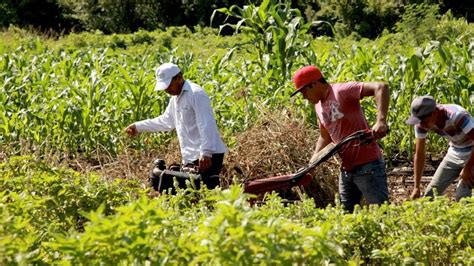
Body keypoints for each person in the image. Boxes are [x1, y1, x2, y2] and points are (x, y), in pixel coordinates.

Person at [291, 65, 390, 212]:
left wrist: (381, 120)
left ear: (315, 84)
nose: (304, 97)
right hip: (346, 170)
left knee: (380, 213)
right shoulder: (318, 106)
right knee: (344, 216)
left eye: (304, 91)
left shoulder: (341, 91)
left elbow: (381, 87)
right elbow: (325, 136)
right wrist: (312, 163)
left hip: (368, 166)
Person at [124, 62, 227, 189]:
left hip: (206, 156)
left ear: (178, 78)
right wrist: (138, 126)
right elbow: (166, 121)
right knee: (190, 194)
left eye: (168, 85)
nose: (166, 90)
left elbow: (206, 123)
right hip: (191, 157)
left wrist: (206, 152)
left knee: (206, 194)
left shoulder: (196, 94)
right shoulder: (175, 99)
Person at [407, 95, 473, 200]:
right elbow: (419, 153)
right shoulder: (421, 123)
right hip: (455, 152)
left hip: (471, 152)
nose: (421, 125)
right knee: (430, 196)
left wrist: (468, 169)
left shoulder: (457, 116)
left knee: (462, 197)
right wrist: (416, 187)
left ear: (434, 113)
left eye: (423, 121)